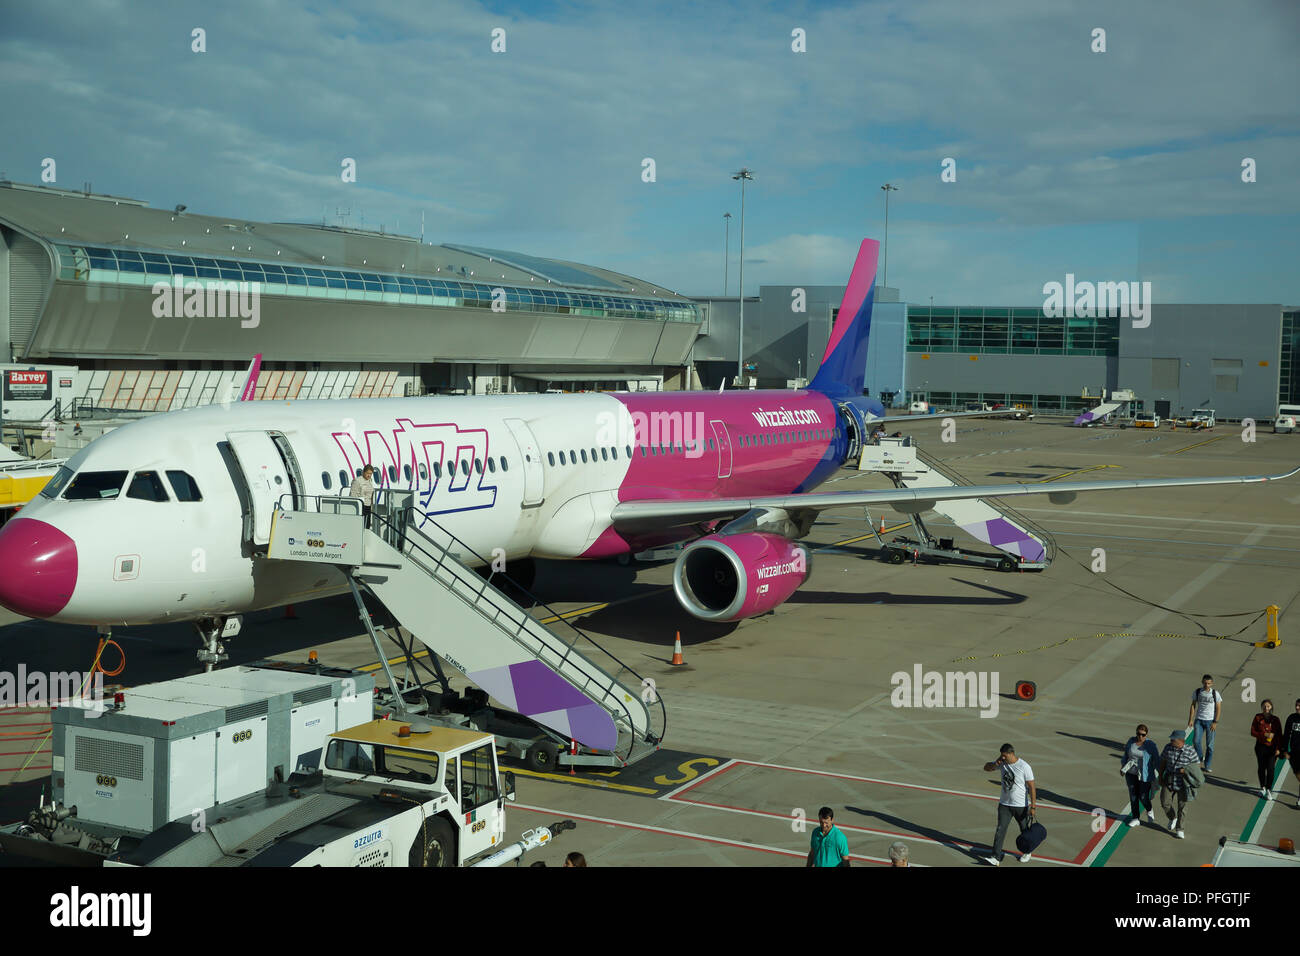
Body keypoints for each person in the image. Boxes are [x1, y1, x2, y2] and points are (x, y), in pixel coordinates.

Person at [981, 743, 1036, 865]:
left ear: (1011, 753)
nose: (1003, 758)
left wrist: (1033, 806)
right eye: (1002, 755)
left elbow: (1032, 787)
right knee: (1000, 830)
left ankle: (1027, 852)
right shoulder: (1002, 764)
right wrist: (996, 764)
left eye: (1004, 755)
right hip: (1004, 804)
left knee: (1024, 830)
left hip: (1020, 805)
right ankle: (995, 857)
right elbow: (986, 768)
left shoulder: (1024, 766)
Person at [1158, 729, 1201, 839]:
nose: (1171, 740)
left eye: (1173, 739)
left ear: (1181, 740)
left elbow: (1197, 767)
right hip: (1169, 779)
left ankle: (1180, 829)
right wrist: (1160, 776)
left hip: (1184, 783)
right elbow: (1163, 762)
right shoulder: (1168, 747)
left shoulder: (1190, 751)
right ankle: (1172, 817)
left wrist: (1186, 770)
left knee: (1182, 807)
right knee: (1164, 802)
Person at [1121, 724, 1161, 827]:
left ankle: (1149, 809)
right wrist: (1123, 767)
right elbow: (1126, 755)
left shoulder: (1150, 745)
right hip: (1131, 773)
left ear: (1146, 734)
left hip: (1145, 775)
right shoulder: (1131, 741)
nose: (1140, 736)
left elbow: (1157, 760)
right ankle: (1135, 818)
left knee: (1143, 797)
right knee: (1133, 797)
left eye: (1143, 734)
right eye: (1138, 734)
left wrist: (1161, 773)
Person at [1186, 674, 1222, 773]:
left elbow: (1218, 708)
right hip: (1199, 720)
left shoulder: (1215, 693)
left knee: (1210, 745)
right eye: (1205, 683)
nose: (1207, 685)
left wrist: (1215, 722)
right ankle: (1201, 757)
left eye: (1209, 683)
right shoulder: (1198, 692)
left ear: (1212, 683)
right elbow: (1193, 705)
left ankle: (1207, 764)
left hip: (1210, 721)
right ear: (1202, 682)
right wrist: (1191, 719)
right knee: (1196, 741)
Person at [1250, 699, 1284, 798]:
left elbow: (1279, 735)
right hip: (1260, 747)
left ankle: (1269, 789)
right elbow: (1252, 732)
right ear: (1262, 707)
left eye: (1268, 706)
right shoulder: (1257, 717)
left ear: (1271, 707)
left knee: (1270, 769)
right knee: (1261, 768)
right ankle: (1262, 787)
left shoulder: (1276, 720)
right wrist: (1264, 734)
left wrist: (1279, 748)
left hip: (1272, 748)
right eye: (1264, 706)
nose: (1266, 708)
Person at [1283, 699, 1300, 808]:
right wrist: (1284, 750)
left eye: (1299, 706)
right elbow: (1286, 735)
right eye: (1296, 705)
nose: (1297, 707)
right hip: (1294, 753)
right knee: (1298, 775)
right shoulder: (1291, 718)